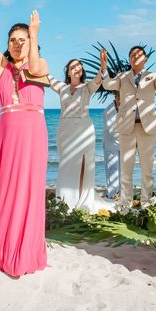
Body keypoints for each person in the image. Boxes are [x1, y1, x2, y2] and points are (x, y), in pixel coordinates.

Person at [0, 0, 48, 277]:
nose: (17, 43)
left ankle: (28, 253)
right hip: (7, 133)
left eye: (22, 39)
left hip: (34, 133)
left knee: (31, 190)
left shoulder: (40, 64)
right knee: (8, 190)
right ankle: (5, 252)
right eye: (14, 39)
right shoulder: (2, 68)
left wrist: (33, 36)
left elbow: (33, 65)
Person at [102, 46, 156, 205]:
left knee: (147, 170)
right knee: (126, 169)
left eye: (139, 54)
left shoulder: (153, 76)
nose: (135, 57)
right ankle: (125, 205)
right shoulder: (122, 77)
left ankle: (146, 204)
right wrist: (103, 67)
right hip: (126, 128)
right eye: (132, 55)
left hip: (147, 128)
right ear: (130, 59)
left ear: (145, 59)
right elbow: (108, 85)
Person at [50, 51, 108, 212]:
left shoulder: (87, 87)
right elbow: (46, 77)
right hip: (65, 131)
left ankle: (83, 200)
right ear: (68, 72)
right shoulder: (62, 88)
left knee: (84, 165)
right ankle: (65, 201)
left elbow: (98, 79)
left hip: (84, 130)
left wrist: (103, 66)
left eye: (79, 66)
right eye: (73, 66)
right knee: (66, 164)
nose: (77, 68)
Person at [102, 90, 121, 199]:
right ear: (115, 97)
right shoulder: (108, 110)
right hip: (111, 143)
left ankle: (122, 195)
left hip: (123, 143)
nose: (121, 100)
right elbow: (111, 130)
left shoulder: (127, 107)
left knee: (124, 171)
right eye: (119, 97)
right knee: (112, 170)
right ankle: (112, 195)